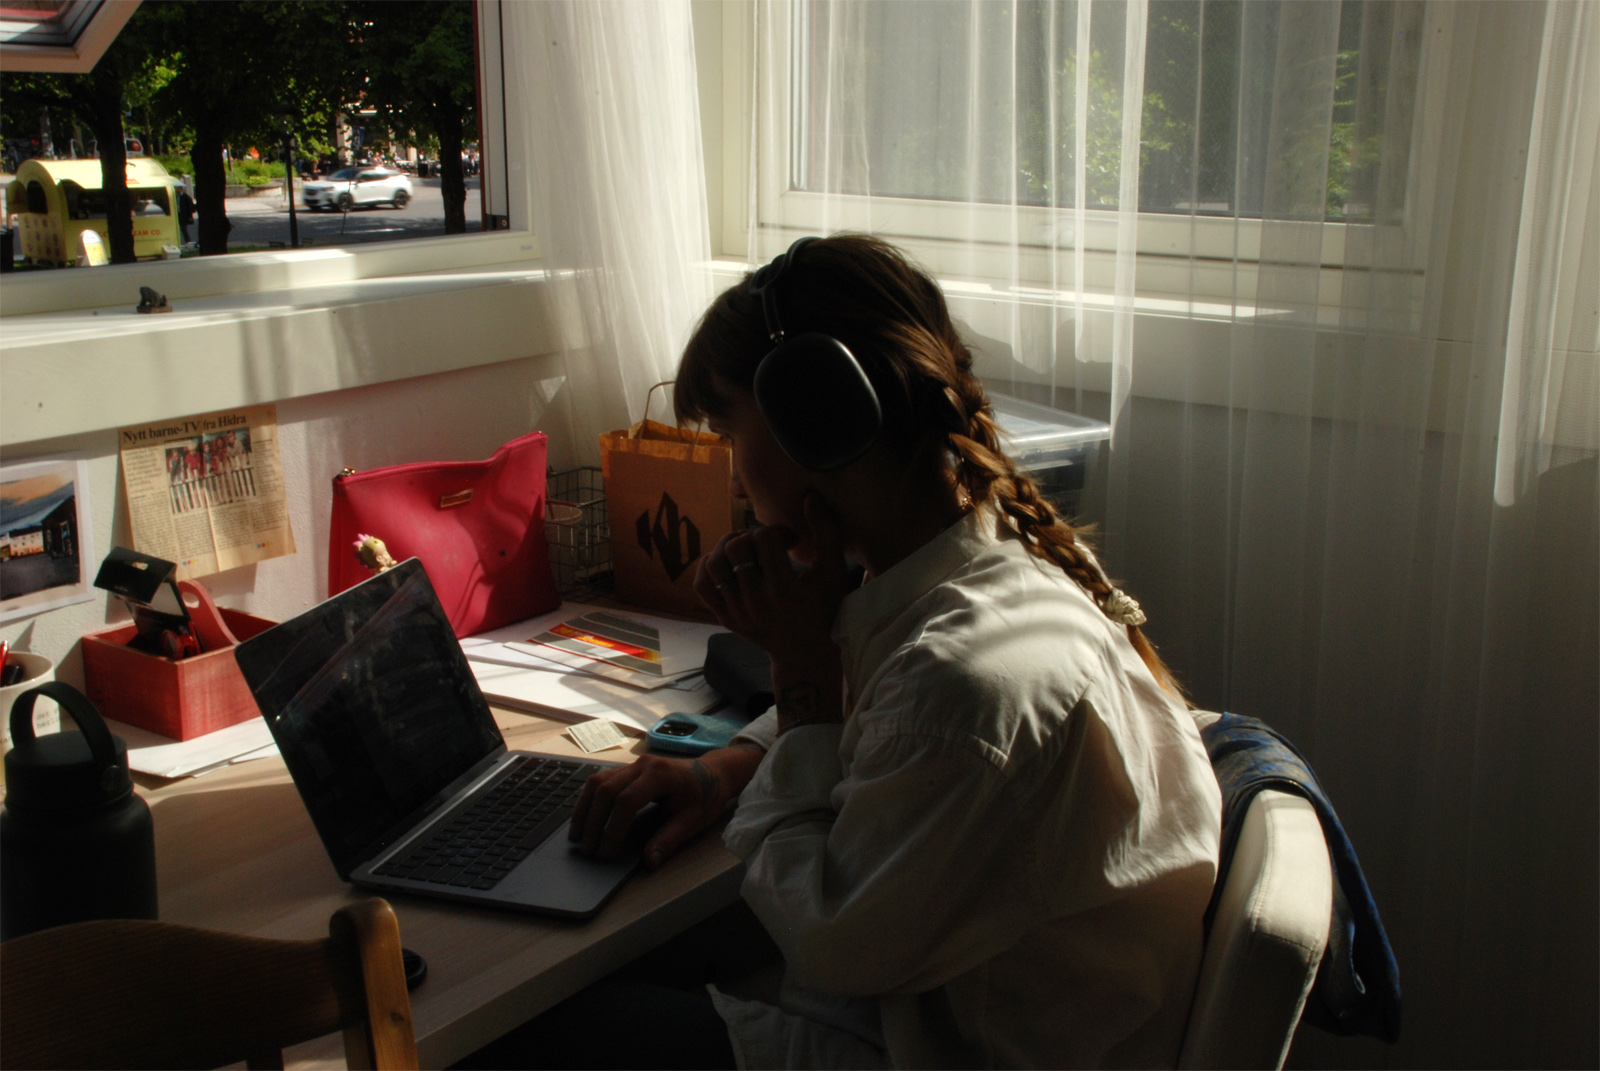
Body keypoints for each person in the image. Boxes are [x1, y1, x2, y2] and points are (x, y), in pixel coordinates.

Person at [511, 235, 1221, 1069]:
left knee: (534, 1025)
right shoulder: (987, 578)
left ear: (814, 417)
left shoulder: (959, 686)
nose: (733, 481)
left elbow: (826, 941)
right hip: (956, 1000)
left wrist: (802, 671)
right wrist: (721, 773)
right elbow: (882, 716)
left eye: (732, 432)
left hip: (931, 1041)